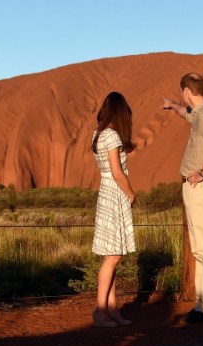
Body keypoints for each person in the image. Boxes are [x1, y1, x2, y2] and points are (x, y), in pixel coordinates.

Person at [162, 73, 203, 323]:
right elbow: (188, 114)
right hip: (196, 188)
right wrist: (173, 106)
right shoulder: (199, 113)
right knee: (199, 248)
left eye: (181, 94)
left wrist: (202, 172)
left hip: (202, 186)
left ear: (187, 91)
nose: (181, 98)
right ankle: (202, 305)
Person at [90, 91, 137, 328]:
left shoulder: (99, 134)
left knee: (113, 255)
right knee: (113, 256)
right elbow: (117, 171)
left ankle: (111, 309)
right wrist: (131, 194)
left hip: (107, 192)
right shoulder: (112, 136)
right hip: (115, 193)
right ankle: (101, 311)